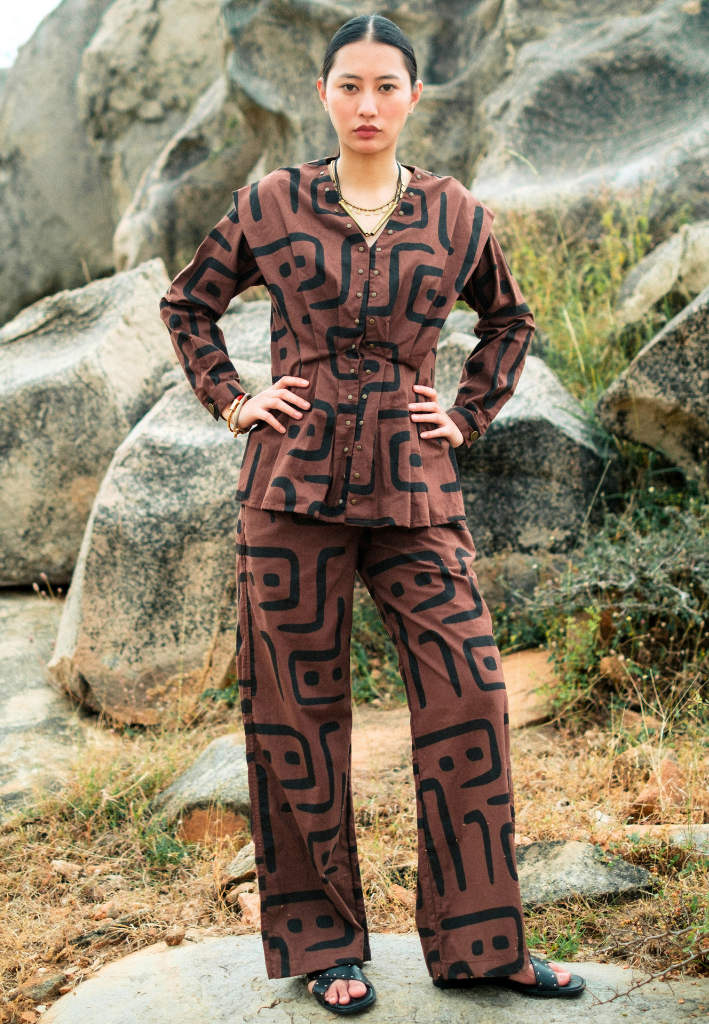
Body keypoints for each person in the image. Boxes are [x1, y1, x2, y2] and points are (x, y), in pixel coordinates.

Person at [159, 13, 586, 1015]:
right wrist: (234, 399)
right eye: (349, 85)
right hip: (289, 491)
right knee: (295, 716)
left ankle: (482, 945)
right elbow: (189, 304)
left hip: (414, 488)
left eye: (386, 86)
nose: (367, 104)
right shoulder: (270, 204)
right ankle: (325, 946)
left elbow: (510, 318)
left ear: (413, 97)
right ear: (323, 93)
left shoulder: (455, 214)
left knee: (469, 690)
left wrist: (468, 411)